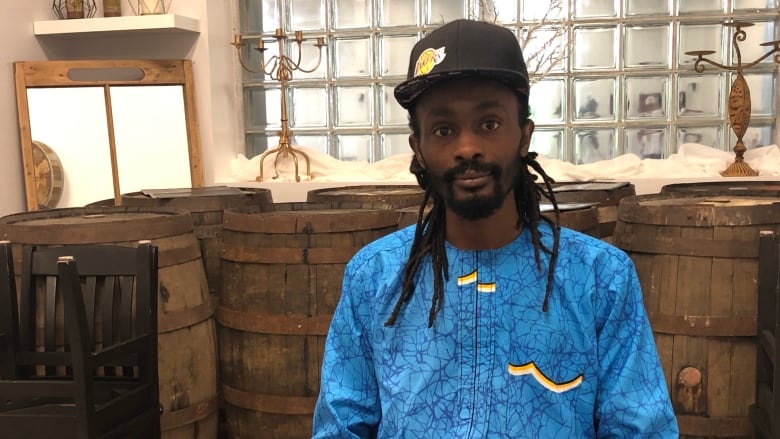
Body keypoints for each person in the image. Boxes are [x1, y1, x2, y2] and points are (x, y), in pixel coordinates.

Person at [312, 19, 678, 438]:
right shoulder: (374, 278)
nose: (467, 147)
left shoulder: (599, 280)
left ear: (524, 136)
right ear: (418, 149)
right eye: (444, 129)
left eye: (489, 123)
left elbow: (642, 429)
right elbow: (341, 427)